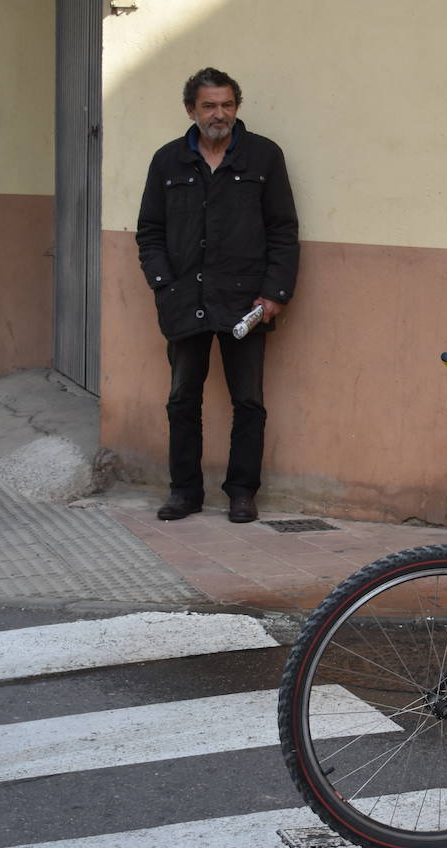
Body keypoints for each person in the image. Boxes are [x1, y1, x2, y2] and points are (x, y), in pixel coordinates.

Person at [136, 67, 299, 523]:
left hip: (245, 303)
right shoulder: (167, 161)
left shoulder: (264, 158)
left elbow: (283, 231)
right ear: (191, 110)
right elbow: (149, 231)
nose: (219, 114)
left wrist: (274, 293)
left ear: (236, 108)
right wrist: (163, 283)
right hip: (184, 301)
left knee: (248, 400)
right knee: (182, 399)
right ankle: (184, 491)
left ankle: (242, 492)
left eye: (227, 104)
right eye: (209, 105)